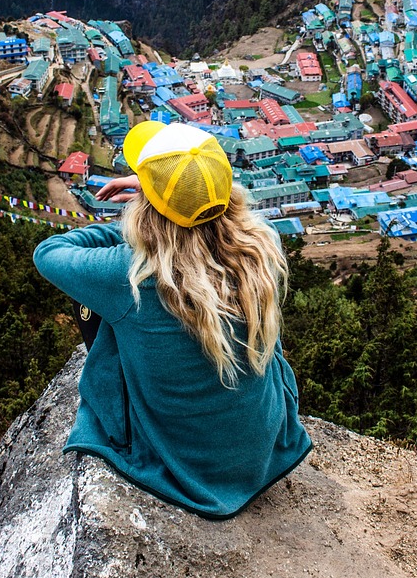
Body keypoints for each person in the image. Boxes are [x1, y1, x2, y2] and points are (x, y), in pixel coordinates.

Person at [34, 121, 311, 520]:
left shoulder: (130, 274)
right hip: (260, 450)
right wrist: (164, 192)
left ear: (149, 206)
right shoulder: (261, 242)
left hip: (186, 468)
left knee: (96, 306)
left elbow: (49, 253)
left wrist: (137, 219)